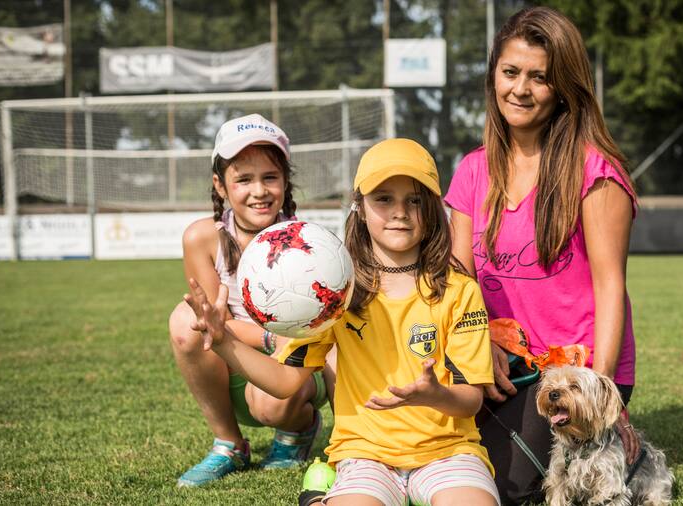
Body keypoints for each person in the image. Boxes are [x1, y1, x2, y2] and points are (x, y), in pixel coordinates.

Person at [185, 138, 500, 506]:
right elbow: (285, 382)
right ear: (360, 208)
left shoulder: (459, 290)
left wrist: (436, 395)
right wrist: (223, 341)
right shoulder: (335, 291)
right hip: (365, 454)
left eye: (414, 200)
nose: (400, 212)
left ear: (432, 208)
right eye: (384, 199)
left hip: (448, 452)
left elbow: (470, 401)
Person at [444, 6, 641, 505]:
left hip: (574, 374)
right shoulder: (472, 170)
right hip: (497, 363)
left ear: (564, 87)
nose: (520, 89)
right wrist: (479, 345)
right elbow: (459, 280)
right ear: (493, 75)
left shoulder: (595, 171)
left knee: (500, 488)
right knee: (434, 446)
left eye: (540, 77)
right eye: (510, 72)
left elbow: (610, 287)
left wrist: (602, 396)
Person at [169, 114, 331, 487]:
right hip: (236, 363)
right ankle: (229, 444)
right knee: (186, 320)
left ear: (285, 180)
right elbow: (215, 322)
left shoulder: (308, 240)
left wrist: (286, 344)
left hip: (296, 369)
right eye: (244, 179)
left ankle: (298, 428)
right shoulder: (201, 238)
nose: (259, 191)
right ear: (220, 185)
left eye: (269, 177)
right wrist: (272, 338)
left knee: (270, 403)